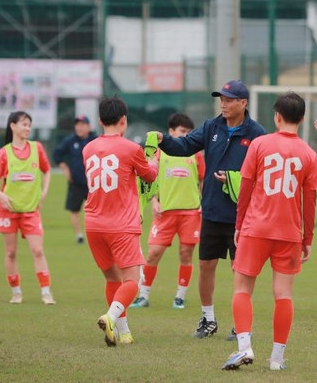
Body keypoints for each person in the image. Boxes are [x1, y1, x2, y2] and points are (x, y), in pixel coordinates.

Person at [156, 80, 265, 339]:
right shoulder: (211, 126)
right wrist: (163, 140)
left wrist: (233, 178)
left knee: (241, 271)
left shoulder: (258, 133)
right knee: (205, 266)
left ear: (243, 103)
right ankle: (208, 319)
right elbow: (184, 147)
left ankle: (241, 323)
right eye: (221, 99)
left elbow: (261, 174)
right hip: (213, 213)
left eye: (229, 99)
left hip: (242, 216)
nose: (223, 104)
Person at [221, 92, 317, 371]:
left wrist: (239, 225)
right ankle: (276, 359)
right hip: (289, 233)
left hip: (256, 228)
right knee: (284, 295)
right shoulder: (309, 154)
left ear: (277, 116)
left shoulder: (259, 144)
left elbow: (246, 188)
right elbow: (310, 201)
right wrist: (307, 238)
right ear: (301, 118)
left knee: (242, 288)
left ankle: (244, 348)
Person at [82, 95, 157, 347]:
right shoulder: (131, 148)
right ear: (123, 120)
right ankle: (111, 316)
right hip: (121, 225)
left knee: (112, 279)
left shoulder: (88, 148)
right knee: (132, 282)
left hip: (93, 223)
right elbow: (149, 176)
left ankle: (123, 332)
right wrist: (153, 157)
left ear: (100, 120)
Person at [131, 113, 204, 310]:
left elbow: (203, 180)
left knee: (186, 254)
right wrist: (154, 200)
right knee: (153, 253)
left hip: (190, 212)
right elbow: (150, 178)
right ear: (171, 132)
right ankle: (143, 295)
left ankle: (180, 296)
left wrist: (202, 203)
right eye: (182, 132)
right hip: (165, 212)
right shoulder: (159, 154)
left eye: (189, 132)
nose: (186, 135)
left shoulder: (195, 154)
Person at [0, 111, 55, 305]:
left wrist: (44, 192)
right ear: (12, 126)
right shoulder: (3, 153)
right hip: (8, 211)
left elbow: (47, 170)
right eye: (24, 124)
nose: (27, 128)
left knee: (37, 250)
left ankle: (46, 292)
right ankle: (16, 292)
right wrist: (0, 196)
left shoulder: (37, 148)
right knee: (10, 252)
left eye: (29, 125)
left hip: (30, 210)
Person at [53, 114, 97, 244]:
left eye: (83, 124)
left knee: (96, 211)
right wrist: (65, 168)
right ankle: (79, 235)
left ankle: (95, 235)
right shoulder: (70, 141)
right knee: (74, 210)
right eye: (77, 124)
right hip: (76, 183)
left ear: (89, 127)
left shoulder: (95, 140)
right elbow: (57, 154)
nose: (79, 127)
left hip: (93, 184)